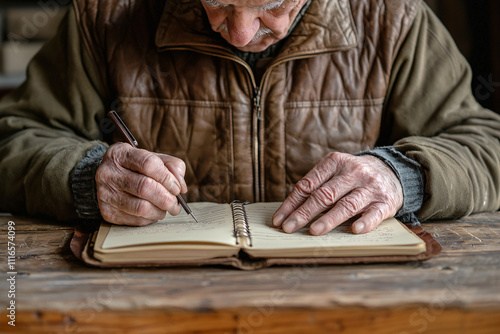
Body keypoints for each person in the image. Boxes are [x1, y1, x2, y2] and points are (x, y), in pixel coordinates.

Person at [1, 0, 499, 236]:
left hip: (348, 299)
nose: (239, 33)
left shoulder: (393, 18)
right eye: (217, 3)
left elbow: (485, 143)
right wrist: (86, 177)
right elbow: (17, 138)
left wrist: (403, 176)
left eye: (273, 5)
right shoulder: (105, 14)